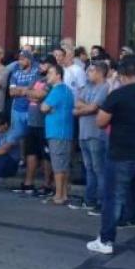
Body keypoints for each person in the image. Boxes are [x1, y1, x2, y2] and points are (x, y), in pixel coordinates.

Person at [86, 55, 135, 255]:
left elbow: (100, 122)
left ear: (121, 74)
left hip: (122, 154)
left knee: (114, 199)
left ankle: (106, 240)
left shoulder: (118, 94)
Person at [72, 61, 110, 213]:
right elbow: (77, 104)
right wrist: (86, 107)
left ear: (100, 72)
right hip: (84, 133)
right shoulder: (87, 86)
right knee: (89, 168)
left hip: (96, 134)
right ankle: (90, 200)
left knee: (99, 169)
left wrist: (84, 108)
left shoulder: (105, 87)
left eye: (91, 71)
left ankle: (102, 202)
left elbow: (95, 107)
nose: (88, 74)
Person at [15, 55, 55, 196]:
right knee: (31, 153)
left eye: (44, 65)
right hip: (32, 121)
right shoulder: (36, 77)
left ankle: (47, 185)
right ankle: (28, 183)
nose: (41, 67)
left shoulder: (51, 81)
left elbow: (39, 95)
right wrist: (32, 94)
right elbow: (28, 94)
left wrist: (31, 93)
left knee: (46, 156)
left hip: (44, 123)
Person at [40, 63, 75, 205]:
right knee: (64, 164)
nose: (48, 76)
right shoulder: (67, 90)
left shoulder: (57, 90)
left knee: (58, 165)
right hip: (65, 132)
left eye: (50, 73)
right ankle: (64, 194)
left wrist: (47, 109)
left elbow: (43, 107)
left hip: (56, 132)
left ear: (58, 75)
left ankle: (58, 195)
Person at [8, 50, 39, 138]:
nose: (19, 62)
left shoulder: (36, 72)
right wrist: (26, 90)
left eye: (22, 59)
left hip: (31, 109)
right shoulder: (15, 73)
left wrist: (19, 89)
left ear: (29, 60)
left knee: (31, 137)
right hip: (17, 109)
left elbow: (33, 89)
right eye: (19, 59)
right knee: (17, 137)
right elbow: (11, 92)